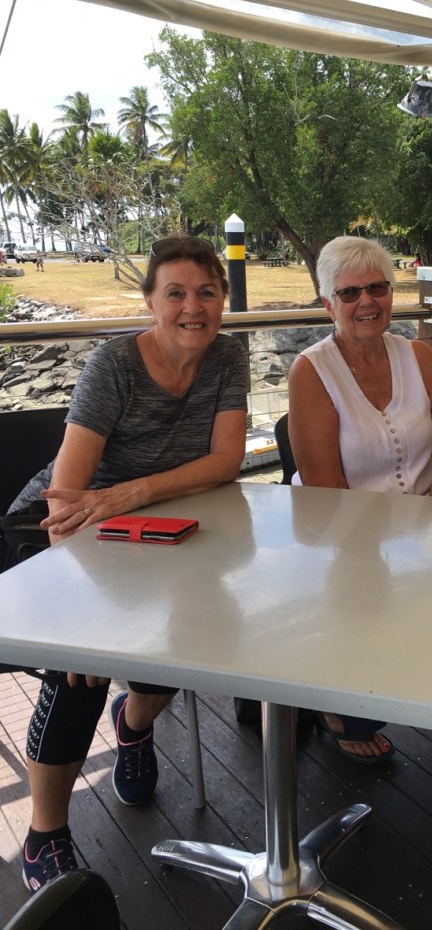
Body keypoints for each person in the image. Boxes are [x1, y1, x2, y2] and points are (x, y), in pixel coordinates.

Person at [6, 233, 249, 892]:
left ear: (222, 300)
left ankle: (134, 726)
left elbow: (226, 461)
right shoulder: (114, 365)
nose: (193, 307)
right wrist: (77, 612)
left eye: (206, 292)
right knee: (79, 668)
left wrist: (134, 493)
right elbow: (65, 496)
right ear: (150, 301)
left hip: (155, 521)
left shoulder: (227, 356)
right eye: (176, 293)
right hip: (63, 529)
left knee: (197, 625)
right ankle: (44, 835)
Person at [288, 235, 432, 831]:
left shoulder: (417, 356)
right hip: (344, 534)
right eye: (349, 292)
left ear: (391, 293)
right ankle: (342, 713)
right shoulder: (311, 371)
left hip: (428, 527)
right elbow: (326, 491)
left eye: (377, 288)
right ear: (328, 303)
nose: (366, 302)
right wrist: (400, 540)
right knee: (369, 596)